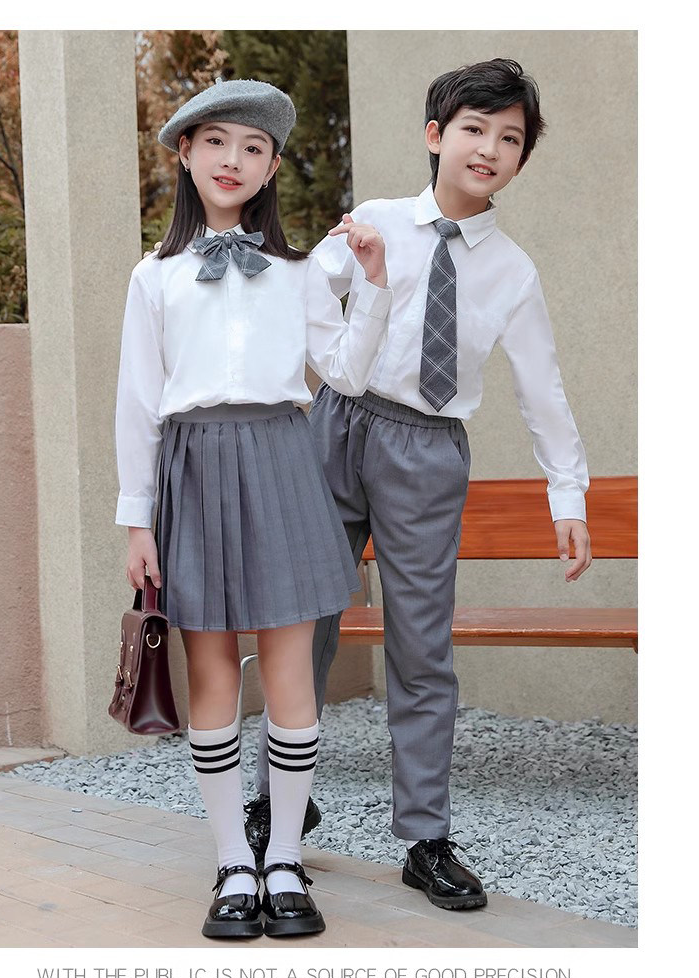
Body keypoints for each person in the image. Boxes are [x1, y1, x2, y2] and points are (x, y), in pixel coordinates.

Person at [245, 57, 592, 911]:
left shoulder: (513, 271)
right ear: (437, 135)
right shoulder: (376, 221)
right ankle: (277, 801)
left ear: (520, 160)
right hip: (337, 426)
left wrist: (568, 494)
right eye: (475, 128)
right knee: (302, 623)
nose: (490, 147)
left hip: (428, 451)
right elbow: (305, 292)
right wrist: (307, 372)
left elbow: (541, 386)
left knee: (422, 646)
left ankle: (426, 837)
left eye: (510, 138)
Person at [114, 78, 392, 939]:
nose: (232, 159)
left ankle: (285, 861)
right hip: (192, 468)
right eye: (216, 141)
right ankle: (234, 859)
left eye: (253, 147)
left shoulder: (297, 273)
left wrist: (373, 288)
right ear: (185, 154)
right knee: (210, 671)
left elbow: (345, 373)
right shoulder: (154, 276)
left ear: (272, 168)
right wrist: (137, 519)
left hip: (281, 460)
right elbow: (138, 402)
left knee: (289, 670)